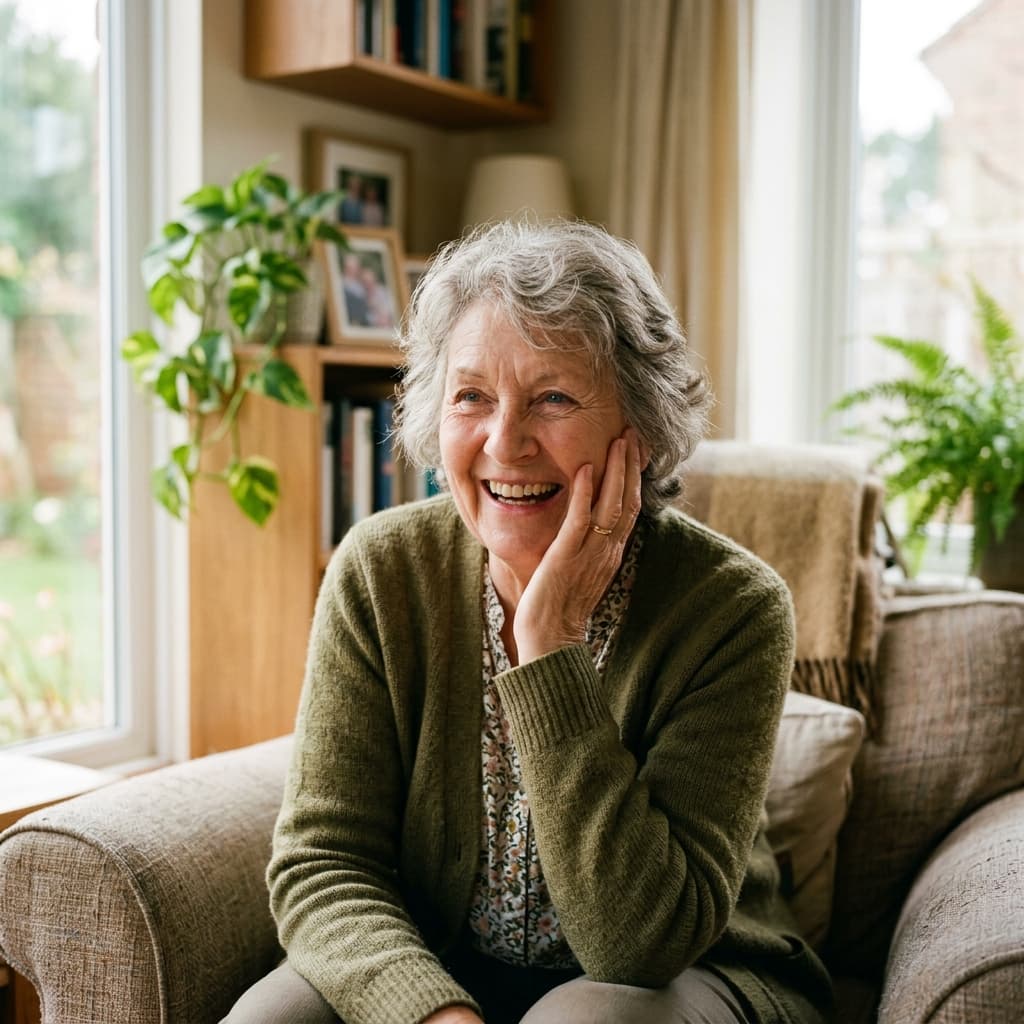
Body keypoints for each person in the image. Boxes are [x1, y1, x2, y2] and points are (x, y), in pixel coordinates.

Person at [222, 220, 833, 1024]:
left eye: (552, 398)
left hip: (686, 975)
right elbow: (324, 863)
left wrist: (550, 649)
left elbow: (641, 945)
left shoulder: (733, 607)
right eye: (471, 396)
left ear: (638, 430)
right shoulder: (380, 569)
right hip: (446, 959)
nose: (504, 443)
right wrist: (434, 1014)